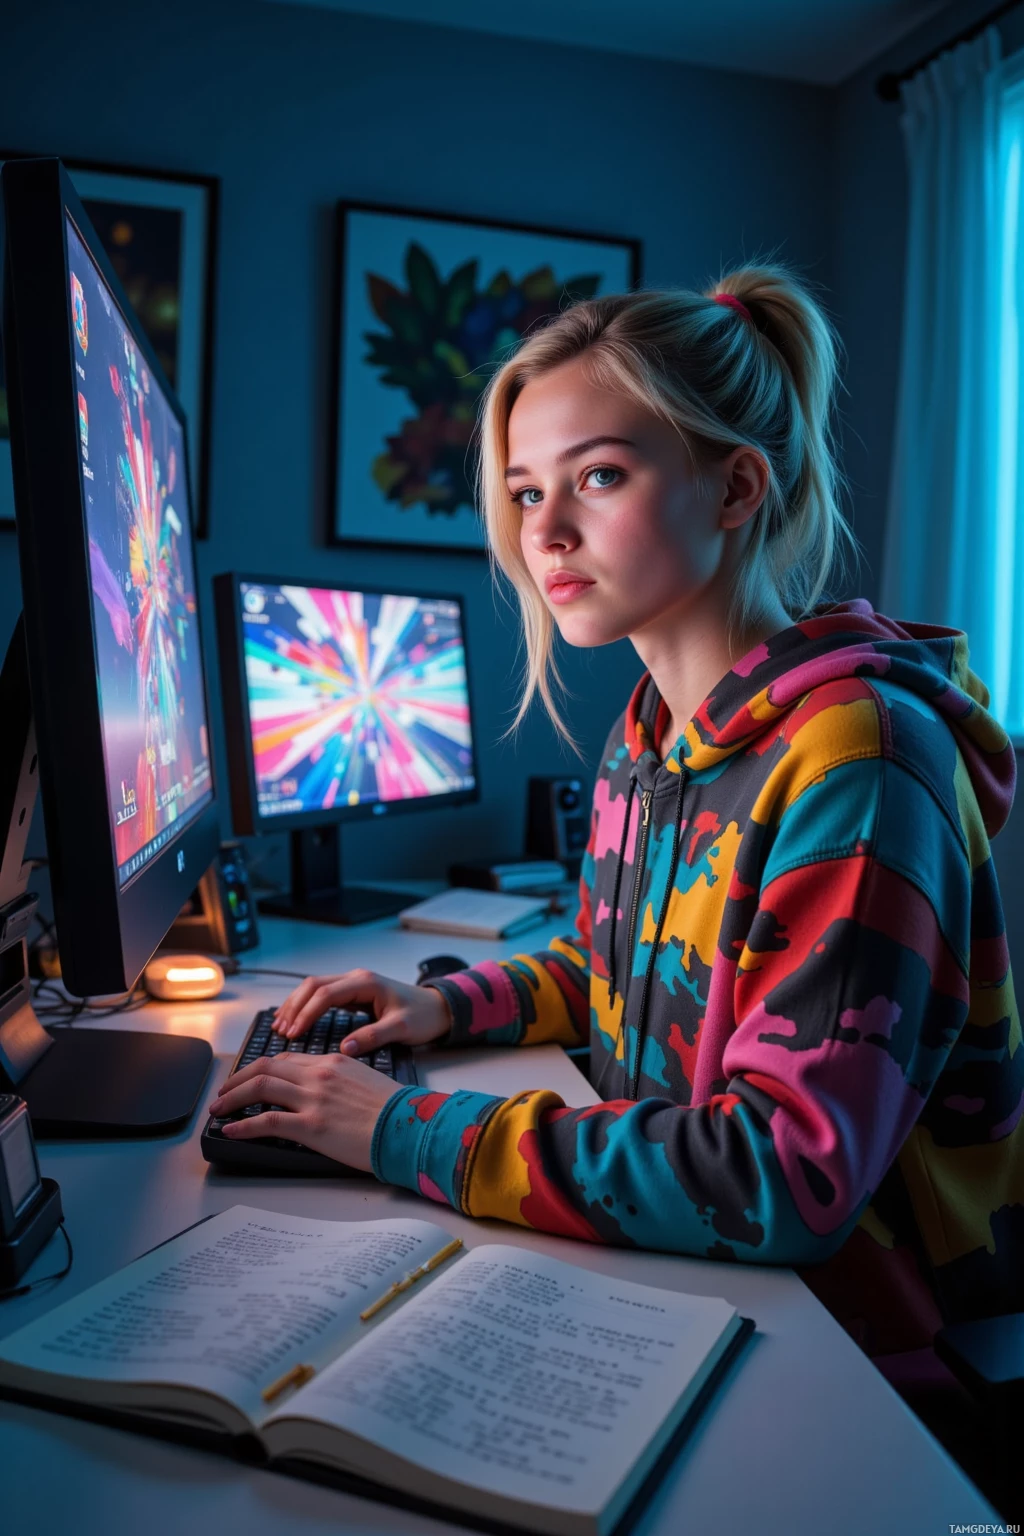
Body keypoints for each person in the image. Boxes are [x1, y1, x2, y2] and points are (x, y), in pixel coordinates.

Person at [208, 266, 1023, 1410]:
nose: (547, 532)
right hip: (694, 1280)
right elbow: (629, 967)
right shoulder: (651, 736)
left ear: (735, 487)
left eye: (598, 475)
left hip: (848, 1355)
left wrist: (401, 1128)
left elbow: (785, 1171)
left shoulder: (856, 758)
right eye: (524, 491)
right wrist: (449, 1004)